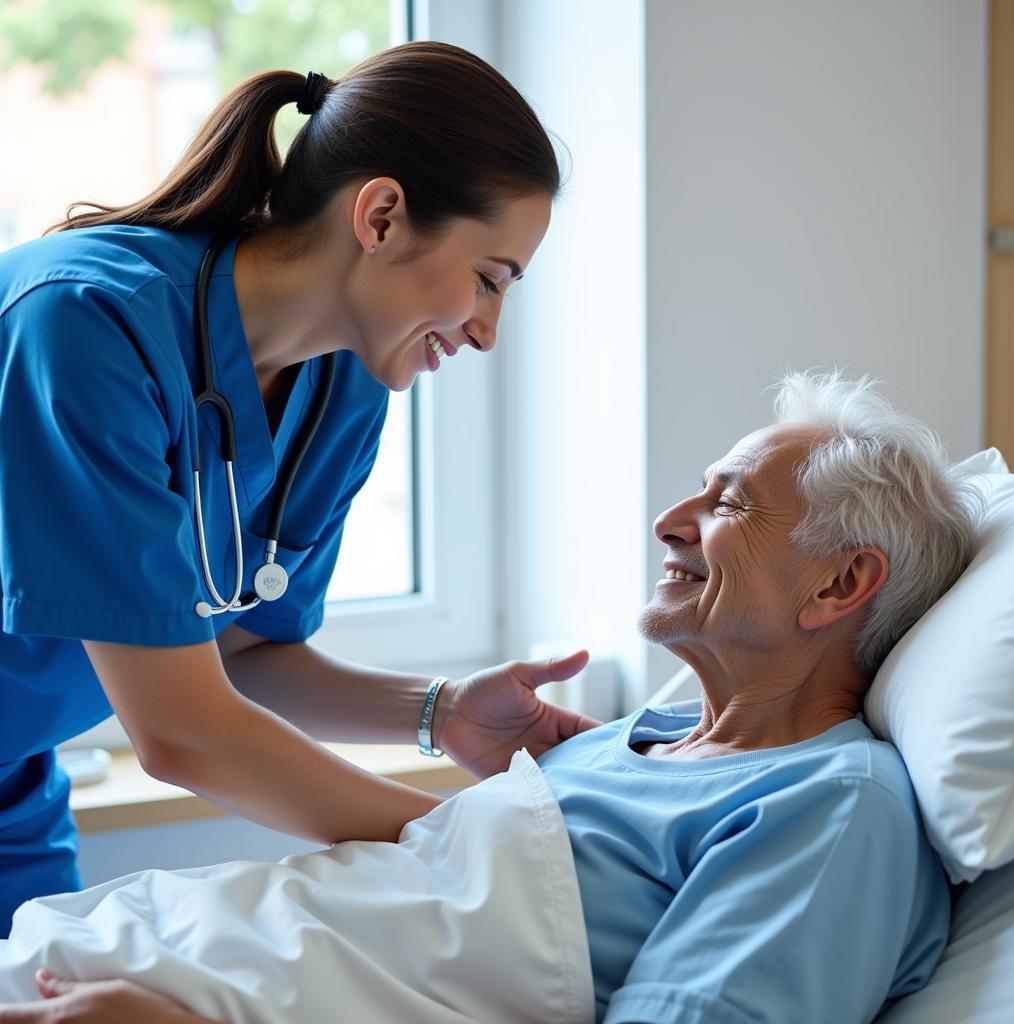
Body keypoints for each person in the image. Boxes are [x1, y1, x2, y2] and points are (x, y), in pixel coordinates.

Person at [0, 371, 981, 1024]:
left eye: (727, 502)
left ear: (840, 585)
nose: (668, 519)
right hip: (132, 945)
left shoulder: (833, 806)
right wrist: (508, 787)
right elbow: (447, 904)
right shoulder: (629, 744)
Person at [0, 40, 599, 939]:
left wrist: (441, 716)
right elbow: (181, 732)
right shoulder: (83, 325)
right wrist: (472, 848)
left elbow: (244, 649)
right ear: (383, 214)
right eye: (488, 279)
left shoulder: (344, 384)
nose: (486, 331)